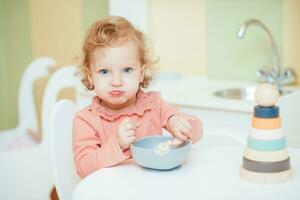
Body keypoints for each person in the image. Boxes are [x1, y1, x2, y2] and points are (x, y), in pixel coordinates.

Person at [73, 16, 203, 178]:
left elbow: (195, 133)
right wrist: (118, 144)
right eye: (104, 71)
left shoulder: (153, 105)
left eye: (127, 70)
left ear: (141, 74)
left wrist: (183, 125)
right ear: (90, 76)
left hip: (153, 185)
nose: (116, 81)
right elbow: (83, 168)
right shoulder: (86, 119)